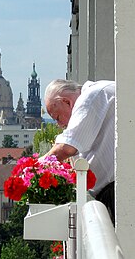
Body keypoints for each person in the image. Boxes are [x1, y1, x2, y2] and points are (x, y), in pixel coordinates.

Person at [42, 79, 115, 223]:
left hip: (118, 191)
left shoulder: (90, 97)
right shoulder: (97, 93)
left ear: (66, 102)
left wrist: (32, 170)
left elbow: (67, 148)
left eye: (57, 118)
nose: (59, 125)